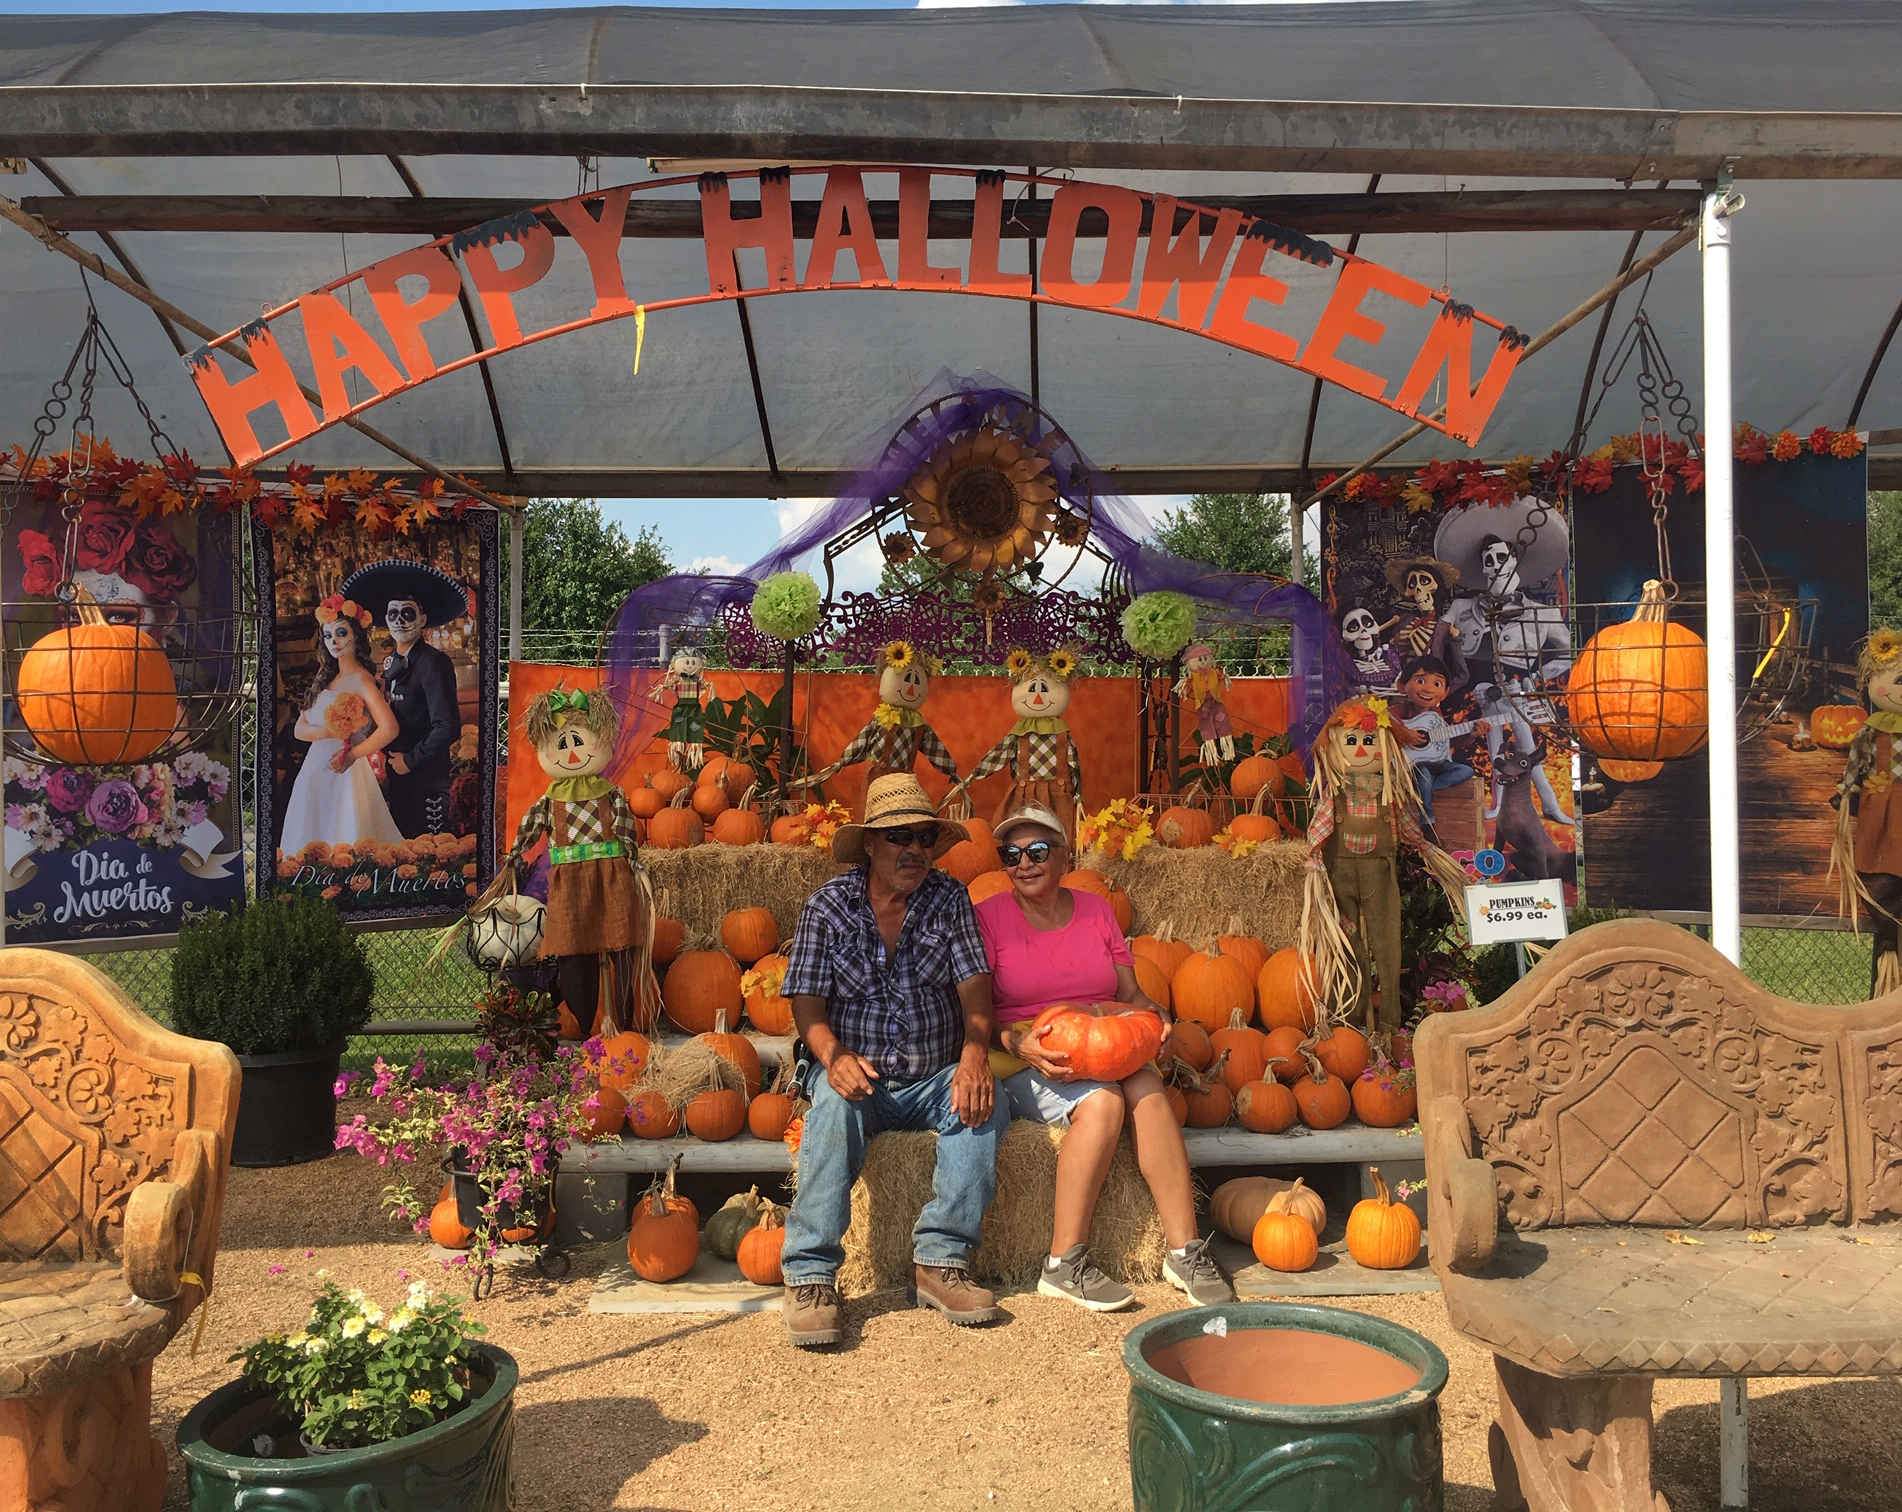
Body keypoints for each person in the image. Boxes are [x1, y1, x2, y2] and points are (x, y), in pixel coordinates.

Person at [779, 773, 1009, 1349]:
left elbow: (975, 988)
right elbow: (806, 1004)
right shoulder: (827, 908)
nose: (914, 851)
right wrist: (832, 1057)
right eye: (899, 838)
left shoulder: (950, 898)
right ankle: (810, 1276)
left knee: (982, 1100)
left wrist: (975, 1054)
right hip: (860, 1071)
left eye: (924, 839)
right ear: (871, 846)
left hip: (933, 1076)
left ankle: (940, 1261)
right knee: (830, 1105)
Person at [977, 804, 1232, 1311]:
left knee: (1147, 1091)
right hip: (1031, 1054)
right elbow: (975, 1012)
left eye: (1037, 851)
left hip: (1104, 1037)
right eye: (1011, 854)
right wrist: (1016, 1043)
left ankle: (1184, 1250)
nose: (1023, 863)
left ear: (1064, 854)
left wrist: (1155, 1015)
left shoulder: (1096, 912)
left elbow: (1132, 994)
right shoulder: (987, 917)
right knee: (1104, 1102)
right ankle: (1063, 1263)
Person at [341, 559, 465, 839]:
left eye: (407, 614)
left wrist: (411, 759)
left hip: (427, 776)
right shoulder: (390, 662)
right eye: (393, 614)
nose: (399, 621)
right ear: (385, 619)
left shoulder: (434, 663)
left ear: (422, 619)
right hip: (398, 774)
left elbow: (447, 726)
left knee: (429, 851)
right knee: (401, 845)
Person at [279, 594, 402, 857]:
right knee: (311, 837)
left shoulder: (361, 680)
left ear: (356, 636)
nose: (333, 641)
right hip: (314, 771)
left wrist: (354, 754)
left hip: (345, 771)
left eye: (341, 633)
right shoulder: (325, 679)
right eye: (327, 635)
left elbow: (390, 728)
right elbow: (299, 730)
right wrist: (330, 731)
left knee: (346, 836)